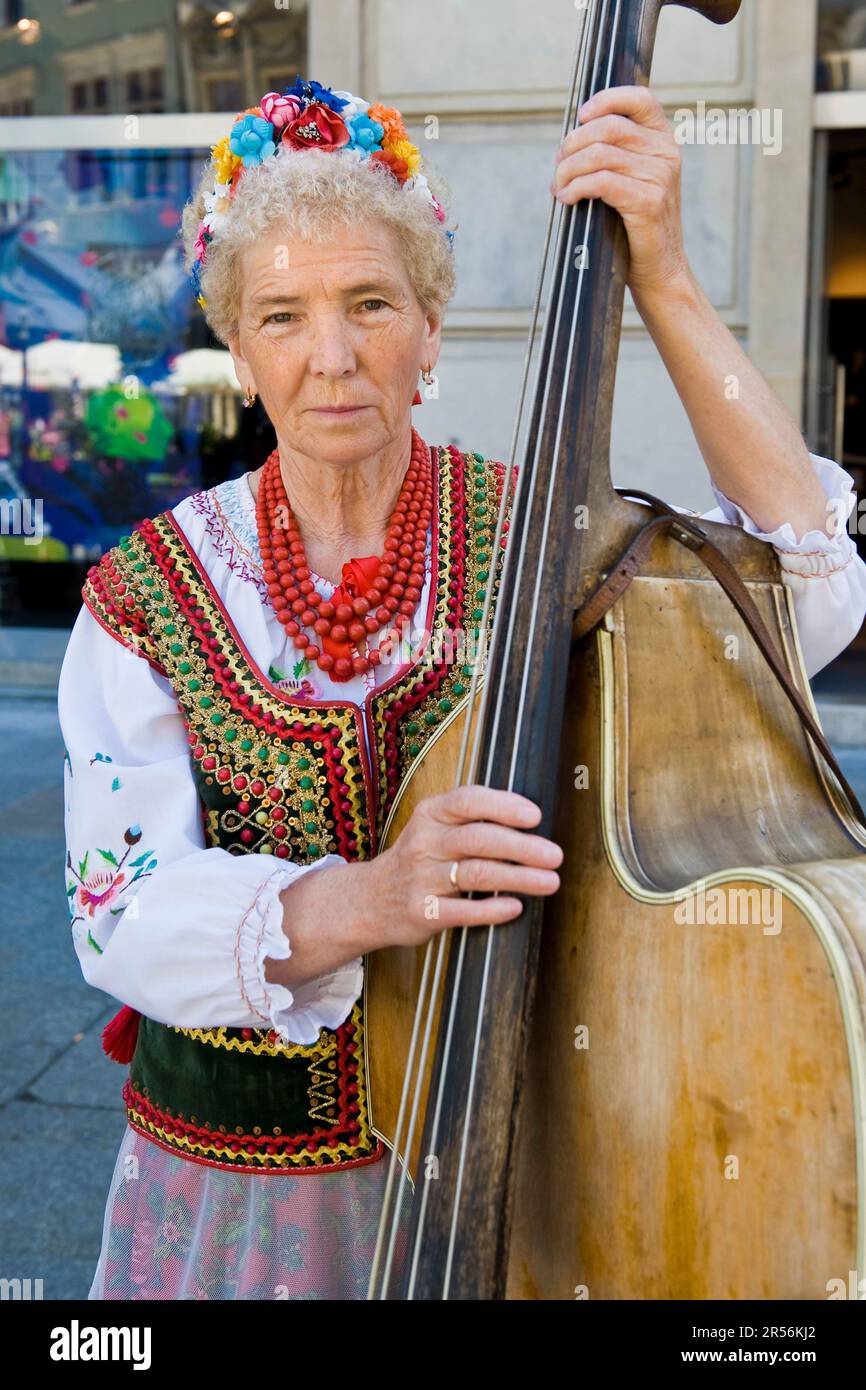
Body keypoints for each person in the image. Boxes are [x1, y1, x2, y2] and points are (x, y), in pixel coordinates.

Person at [58, 76, 866, 1301]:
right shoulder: (151, 589)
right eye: (282, 315)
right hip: (239, 1201)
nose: (330, 357)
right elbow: (119, 911)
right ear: (237, 345)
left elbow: (805, 590)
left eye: (369, 304)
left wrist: (663, 279)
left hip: (521, 1175)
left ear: (430, 328)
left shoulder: (546, 542)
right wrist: (370, 897)